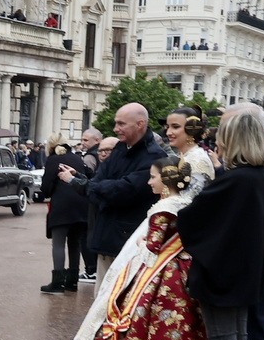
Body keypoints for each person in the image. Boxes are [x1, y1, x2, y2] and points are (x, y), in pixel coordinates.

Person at [64, 158, 255, 340]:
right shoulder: (187, 202)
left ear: (165, 181)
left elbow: (153, 246)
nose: (149, 182)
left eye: (153, 177)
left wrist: (141, 242)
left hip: (162, 272)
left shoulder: (163, 207)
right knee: (189, 332)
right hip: (183, 268)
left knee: (151, 330)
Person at [175, 104, 264, 340]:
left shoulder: (236, 179)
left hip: (224, 273)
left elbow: (194, 217)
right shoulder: (259, 176)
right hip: (246, 271)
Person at [78, 103, 165, 274]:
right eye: (116, 123)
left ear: (140, 124)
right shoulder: (119, 148)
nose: (115, 129)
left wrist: (100, 188)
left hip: (129, 241)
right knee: (102, 290)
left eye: (121, 124)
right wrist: (102, 189)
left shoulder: (154, 156)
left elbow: (125, 191)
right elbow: (96, 185)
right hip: (106, 236)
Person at [39, 138, 89, 294]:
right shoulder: (77, 158)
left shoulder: (53, 159)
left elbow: (46, 187)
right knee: (75, 243)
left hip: (62, 205)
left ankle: (57, 282)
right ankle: (72, 281)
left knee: (59, 244)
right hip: (81, 204)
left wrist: (50, 189)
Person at [163, 107, 215, 193]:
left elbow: (192, 198)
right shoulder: (184, 155)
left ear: (192, 130)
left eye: (175, 127)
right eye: (167, 127)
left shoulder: (198, 160)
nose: (168, 132)